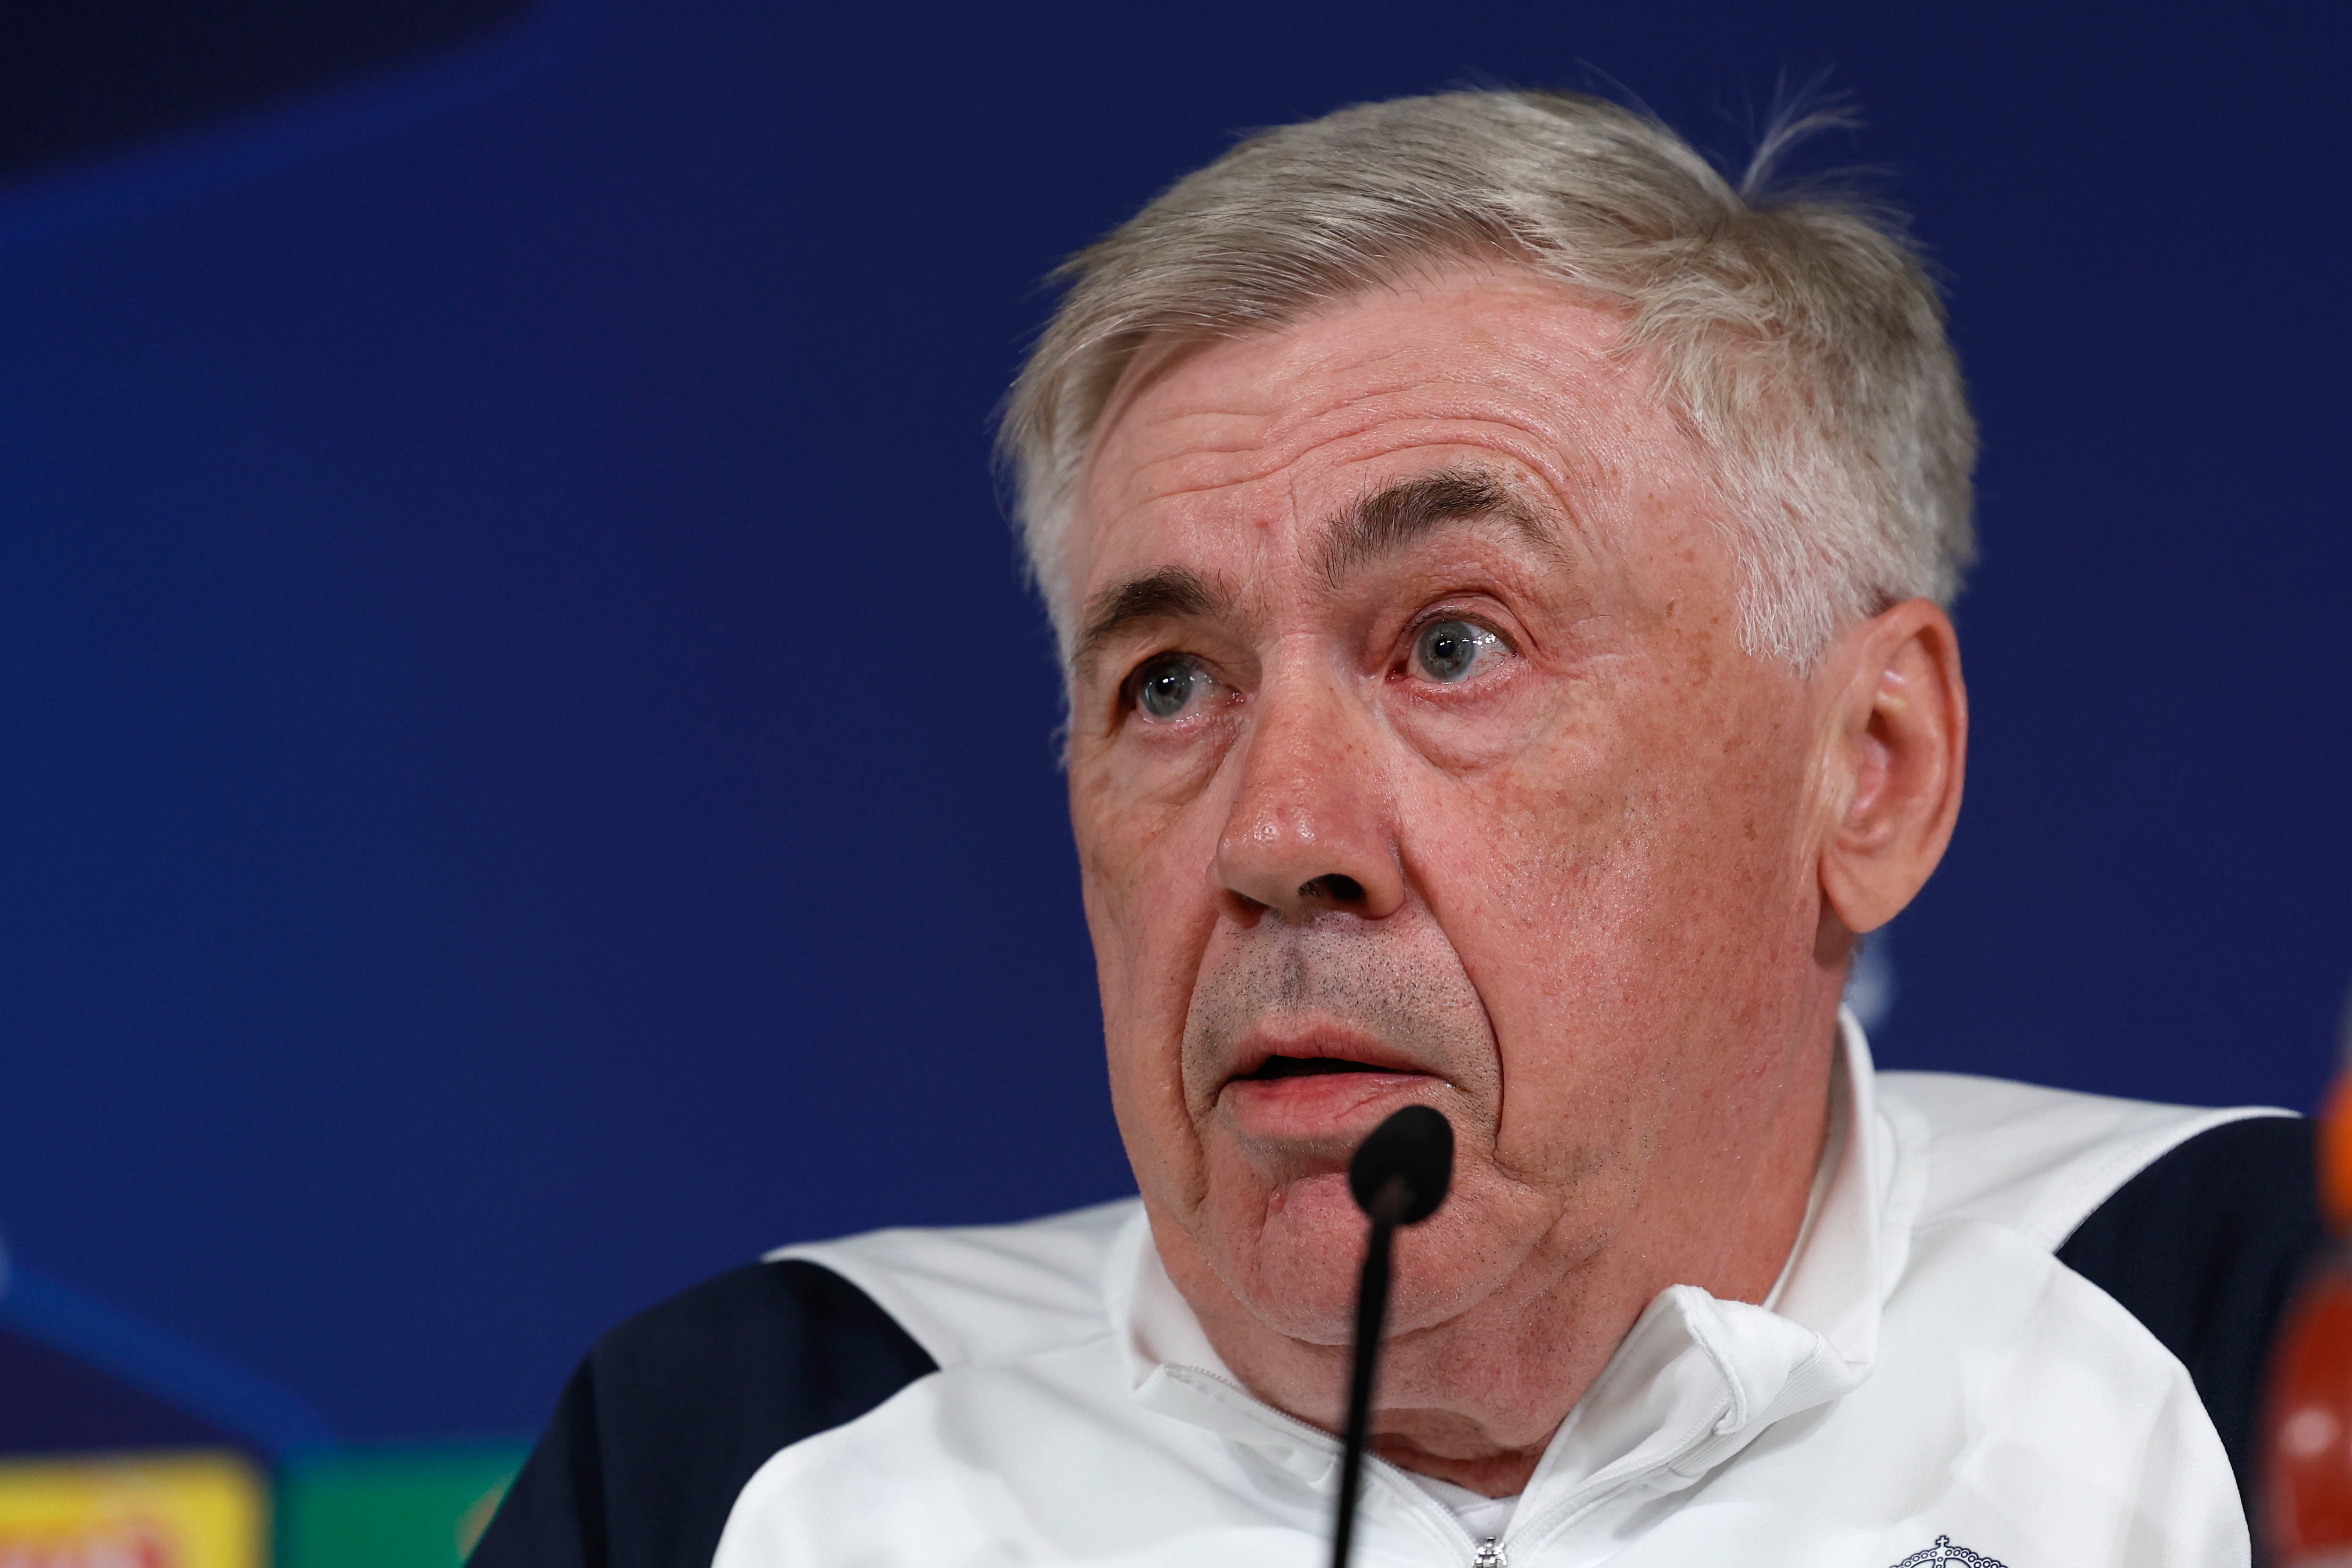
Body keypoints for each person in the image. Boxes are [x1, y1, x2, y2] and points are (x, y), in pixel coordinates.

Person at [469, 90, 2320, 1568]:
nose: (1277, 830)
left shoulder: (2263, 1333)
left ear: (1875, 766)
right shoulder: (745, 1457)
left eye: (1453, 644)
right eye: (1172, 682)